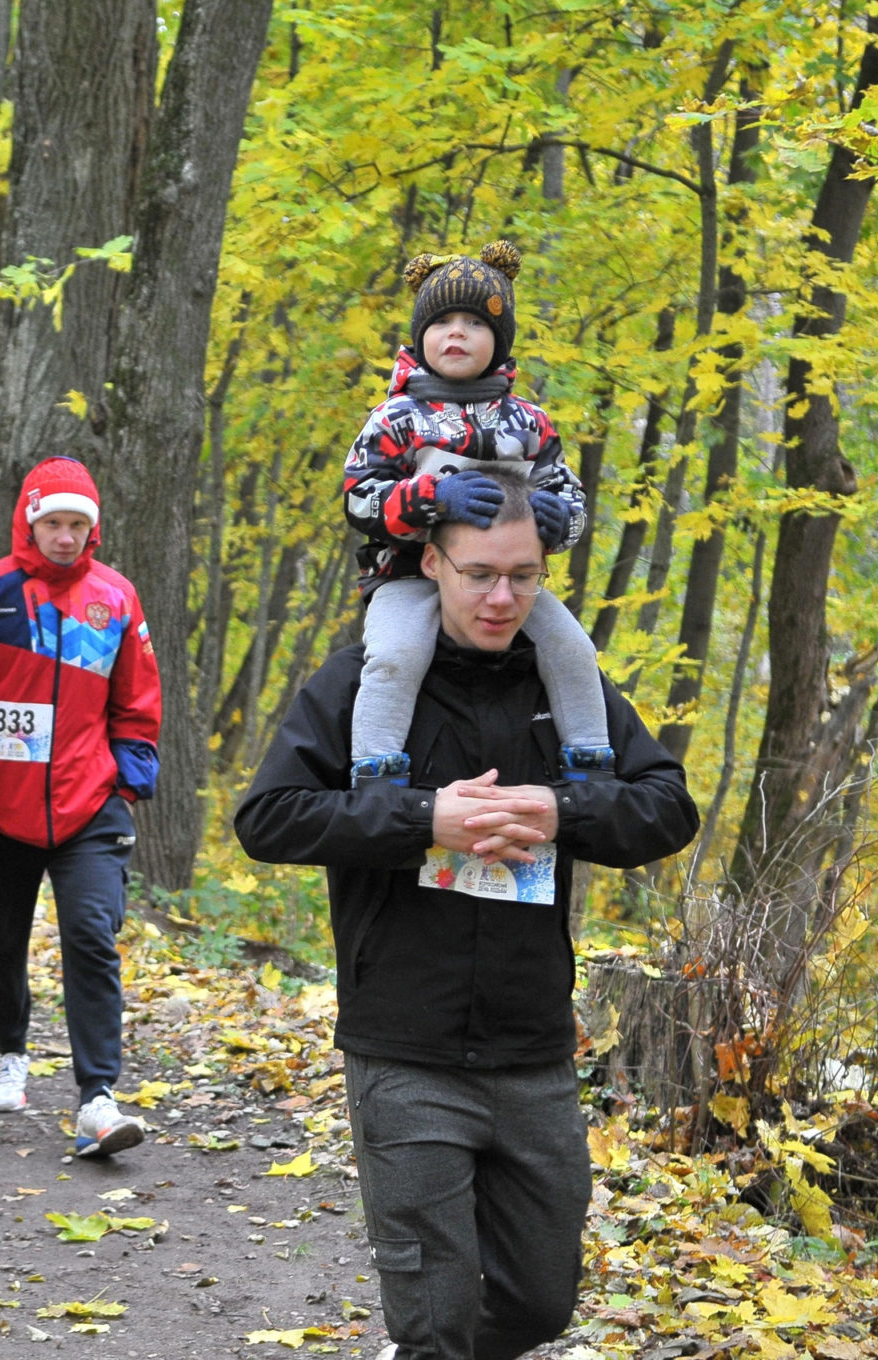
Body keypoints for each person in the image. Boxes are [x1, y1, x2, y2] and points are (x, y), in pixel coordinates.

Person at [234, 464, 699, 1360]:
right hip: (405, 1042)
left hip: (533, 1047)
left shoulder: (566, 689)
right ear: (433, 567)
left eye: (524, 576)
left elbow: (667, 805)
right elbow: (269, 816)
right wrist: (422, 817)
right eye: (480, 573)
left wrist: (566, 810)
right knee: (437, 1321)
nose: (501, 597)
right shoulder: (367, 683)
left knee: (540, 1303)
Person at [0, 456, 162, 1157]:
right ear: (29, 521)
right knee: (0, 938)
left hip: (87, 805)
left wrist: (126, 780)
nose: (65, 537)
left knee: (92, 938)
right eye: (53, 523)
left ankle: (97, 1095)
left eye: (78, 525)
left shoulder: (117, 597)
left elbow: (137, 698)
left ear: (92, 530)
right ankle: (11, 1046)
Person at [341, 241, 610, 789]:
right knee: (395, 656)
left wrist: (560, 521)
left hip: (509, 582)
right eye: (442, 322)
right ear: (421, 337)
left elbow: (570, 495)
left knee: (573, 647)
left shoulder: (529, 422)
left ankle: (591, 763)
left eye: (474, 322)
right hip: (407, 576)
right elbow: (358, 497)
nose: (456, 333)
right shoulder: (396, 418)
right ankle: (375, 770)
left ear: (500, 340)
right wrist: (430, 500)